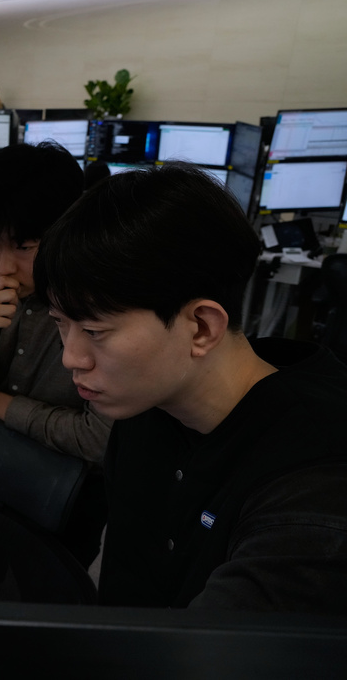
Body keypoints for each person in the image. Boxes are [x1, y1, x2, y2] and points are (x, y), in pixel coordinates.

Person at [33, 163, 347, 613]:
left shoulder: (314, 481)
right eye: (61, 325)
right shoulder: (144, 407)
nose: (71, 358)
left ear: (201, 327)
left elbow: (216, 651)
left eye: (95, 331)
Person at [0, 142, 111, 462]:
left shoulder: (98, 294)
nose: (3, 268)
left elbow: (100, 439)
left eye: (24, 247)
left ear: (65, 231)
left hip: (71, 482)